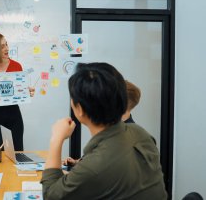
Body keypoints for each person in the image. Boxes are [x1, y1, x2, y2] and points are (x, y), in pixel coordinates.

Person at [41, 63, 167, 199]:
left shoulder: (95, 166)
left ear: (80, 109)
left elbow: (51, 195)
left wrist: (56, 139)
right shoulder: (140, 133)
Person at [63, 79, 143, 166]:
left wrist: (57, 139)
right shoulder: (116, 128)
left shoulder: (124, 135)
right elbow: (97, 156)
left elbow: (101, 164)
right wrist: (78, 162)